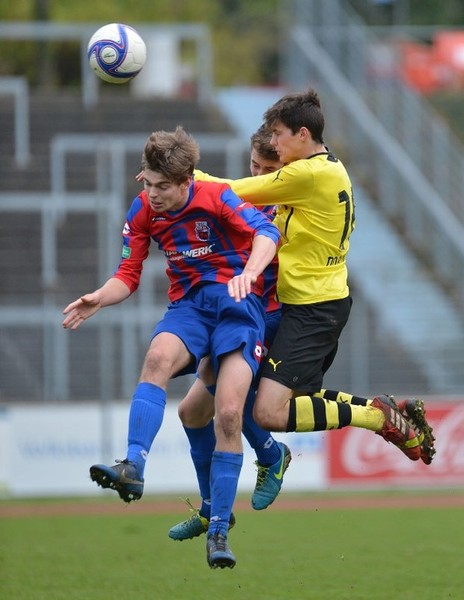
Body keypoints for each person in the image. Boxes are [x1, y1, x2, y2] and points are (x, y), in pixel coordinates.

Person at [62, 125, 281, 570]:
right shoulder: (143, 209)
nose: (153, 194)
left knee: (228, 413)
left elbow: (266, 233)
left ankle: (218, 530)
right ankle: (133, 466)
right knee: (157, 358)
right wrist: (99, 298)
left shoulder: (216, 197)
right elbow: (128, 273)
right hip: (189, 309)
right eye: (148, 182)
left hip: (238, 305)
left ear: (186, 181)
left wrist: (249, 273)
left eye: (163, 186)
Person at [185, 89, 435, 467]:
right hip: (313, 303)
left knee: (269, 412)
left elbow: (235, 191)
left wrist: (184, 177)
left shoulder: (307, 174)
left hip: (314, 308)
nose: (273, 142)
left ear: (303, 135)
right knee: (283, 396)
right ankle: (378, 409)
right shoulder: (327, 168)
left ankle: (376, 418)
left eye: (278, 134)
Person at [168, 126, 290, 543]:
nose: (260, 176)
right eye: (255, 166)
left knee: (223, 398)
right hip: (234, 309)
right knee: (191, 413)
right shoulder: (241, 201)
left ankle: (268, 457)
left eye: (270, 170)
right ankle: (214, 504)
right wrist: (168, 176)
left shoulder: (291, 206)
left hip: (267, 316)